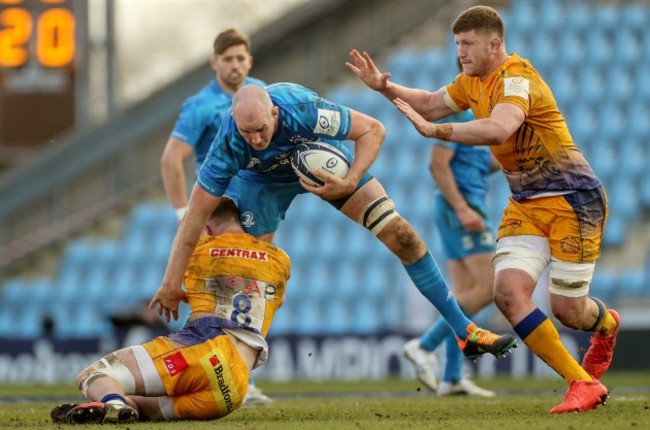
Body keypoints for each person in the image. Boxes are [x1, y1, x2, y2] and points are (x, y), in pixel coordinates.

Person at [347, 5, 620, 414]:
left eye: (467, 43)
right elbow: (429, 103)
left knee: (570, 312)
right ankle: (581, 383)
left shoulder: (517, 79)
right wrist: (384, 88)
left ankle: (607, 324)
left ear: (494, 43)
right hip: (526, 204)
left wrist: (436, 131)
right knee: (507, 295)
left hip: (572, 201)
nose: (460, 52)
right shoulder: (470, 83)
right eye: (457, 44)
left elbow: (499, 128)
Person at [153, 82, 518, 374]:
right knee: (251, 273)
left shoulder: (303, 110)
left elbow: (374, 130)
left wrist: (351, 180)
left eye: (262, 129)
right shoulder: (228, 145)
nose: (257, 139)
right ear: (235, 122)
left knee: (404, 236)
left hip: (318, 159)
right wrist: (171, 283)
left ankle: (465, 332)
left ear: (275, 112)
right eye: (248, 133)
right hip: (260, 184)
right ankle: (228, 369)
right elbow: (194, 219)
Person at [50, 197, 290, 424]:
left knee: (94, 374)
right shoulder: (280, 260)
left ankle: (112, 402)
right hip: (233, 390)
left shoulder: (201, 249)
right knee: (142, 407)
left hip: (204, 353)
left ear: (205, 227)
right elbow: (277, 300)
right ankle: (109, 407)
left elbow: (183, 254)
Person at [159, 28, 271, 405]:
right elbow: (171, 159)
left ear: (249, 61)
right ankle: (212, 373)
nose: (235, 65)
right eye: (228, 60)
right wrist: (183, 212)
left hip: (253, 209)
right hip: (216, 214)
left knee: (251, 294)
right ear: (214, 63)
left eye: (241, 58)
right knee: (216, 299)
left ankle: (241, 377)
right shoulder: (201, 105)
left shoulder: (258, 95)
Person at [403, 106, 501, 398]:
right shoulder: (457, 113)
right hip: (462, 207)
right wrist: (461, 208)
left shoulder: (484, 119)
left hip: (464, 205)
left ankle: (452, 376)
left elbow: (483, 163)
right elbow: (438, 164)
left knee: (465, 292)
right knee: (489, 286)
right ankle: (424, 346)